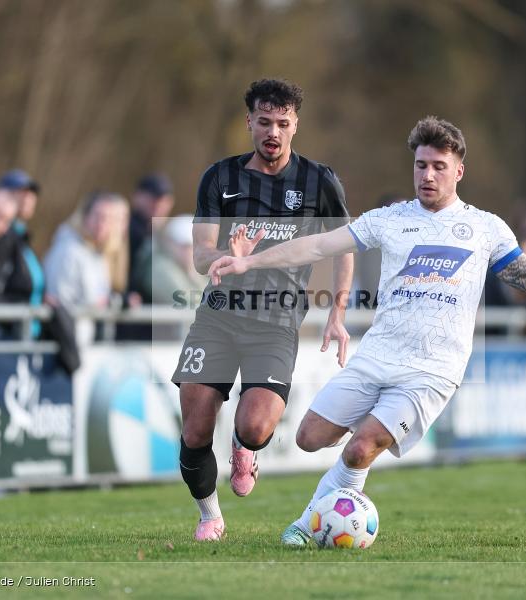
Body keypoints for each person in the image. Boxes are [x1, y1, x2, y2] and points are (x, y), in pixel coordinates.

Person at [208, 116, 526, 547]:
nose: (427, 175)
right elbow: (320, 245)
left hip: (432, 370)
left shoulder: (485, 228)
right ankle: (325, 461)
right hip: (377, 355)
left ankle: (306, 527)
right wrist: (251, 261)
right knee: (308, 438)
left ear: (459, 171)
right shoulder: (390, 219)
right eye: (420, 165)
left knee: (360, 449)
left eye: (438, 166)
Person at [173, 78, 353, 541]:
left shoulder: (319, 181)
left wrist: (336, 312)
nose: (273, 131)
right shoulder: (219, 178)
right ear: (249, 121)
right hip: (217, 316)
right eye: (265, 121)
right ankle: (209, 515)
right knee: (194, 429)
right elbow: (199, 255)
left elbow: (344, 248)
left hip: (276, 322)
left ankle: (244, 445)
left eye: (283, 123)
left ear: (296, 125)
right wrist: (227, 258)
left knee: (254, 425)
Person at [43, 191, 128, 311]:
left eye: (109, 219)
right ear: (85, 216)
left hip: (85, 328)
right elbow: (60, 302)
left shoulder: (96, 252)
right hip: (69, 328)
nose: (102, 224)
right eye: (98, 216)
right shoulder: (68, 251)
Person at [0, 169, 45, 338]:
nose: (29, 199)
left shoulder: (21, 234)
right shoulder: (1, 236)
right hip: (9, 333)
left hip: (28, 330)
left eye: (31, 194)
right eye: (21, 193)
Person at [129, 173, 175, 273]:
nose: (157, 204)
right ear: (136, 196)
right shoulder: (127, 227)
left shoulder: (166, 232)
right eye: (151, 198)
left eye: (163, 200)